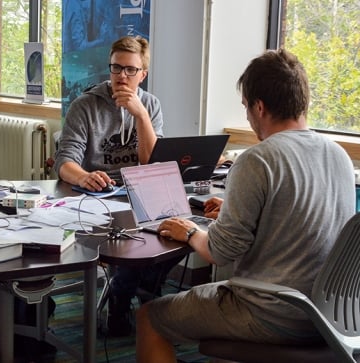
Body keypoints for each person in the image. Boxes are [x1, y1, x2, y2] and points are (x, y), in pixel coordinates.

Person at [135, 49, 356, 363]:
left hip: (271, 312)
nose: (249, 118)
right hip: (329, 313)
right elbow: (302, 216)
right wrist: (234, 208)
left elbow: (220, 252)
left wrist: (189, 232)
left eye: (246, 108)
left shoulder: (257, 159)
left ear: (260, 107)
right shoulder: (338, 156)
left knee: (149, 317)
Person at [54, 35, 182, 337]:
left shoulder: (150, 105)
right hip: (97, 196)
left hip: (140, 193)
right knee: (132, 239)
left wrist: (140, 115)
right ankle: (121, 298)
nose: (121, 77)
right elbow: (64, 163)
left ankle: (143, 284)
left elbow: (151, 162)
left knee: (183, 230)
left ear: (143, 74)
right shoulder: (85, 106)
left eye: (130, 70)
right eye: (115, 68)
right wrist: (84, 175)